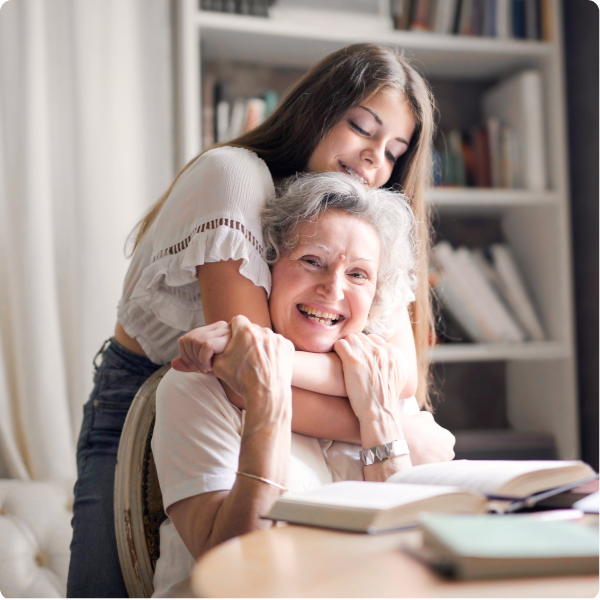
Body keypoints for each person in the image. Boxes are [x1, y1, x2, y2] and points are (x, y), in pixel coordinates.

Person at [67, 43, 454, 599]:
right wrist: (390, 421)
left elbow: (400, 375)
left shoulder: (361, 218)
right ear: (316, 111)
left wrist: (386, 404)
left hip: (263, 395)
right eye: (362, 128)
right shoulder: (234, 177)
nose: (375, 160)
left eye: (394, 151)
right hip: (152, 395)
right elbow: (254, 380)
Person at [152, 172, 447, 598]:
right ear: (269, 266)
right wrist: (267, 400)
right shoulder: (197, 388)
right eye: (312, 261)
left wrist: (381, 418)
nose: (333, 288)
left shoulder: (380, 383)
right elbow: (240, 567)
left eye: (359, 275)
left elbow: (405, 561)